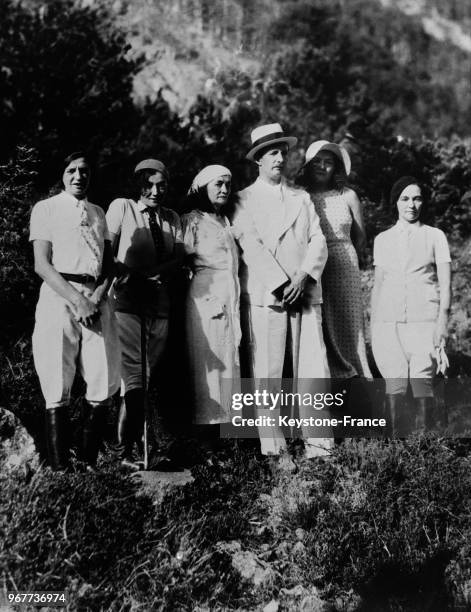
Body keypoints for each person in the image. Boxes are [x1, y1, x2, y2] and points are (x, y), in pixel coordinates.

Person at [232, 123, 331, 465]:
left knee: (312, 369)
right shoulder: (242, 199)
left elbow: (318, 240)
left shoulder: (301, 198)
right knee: (268, 373)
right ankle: (276, 450)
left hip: (304, 292)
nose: (278, 158)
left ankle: (320, 447)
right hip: (266, 294)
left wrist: (303, 276)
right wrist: (281, 284)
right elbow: (250, 246)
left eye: (282, 152)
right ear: (258, 159)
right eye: (271, 152)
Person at [30, 152, 120, 470]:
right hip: (60, 295)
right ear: (62, 175)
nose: (79, 176)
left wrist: (95, 296)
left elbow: (109, 266)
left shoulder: (99, 213)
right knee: (56, 374)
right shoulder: (47, 208)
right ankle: (60, 473)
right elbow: (42, 263)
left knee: (104, 375)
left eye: (84, 170)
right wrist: (76, 299)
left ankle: (86, 463)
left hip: (97, 299)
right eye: (72, 170)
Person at [106, 159, 184, 469]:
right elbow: (106, 252)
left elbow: (178, 258)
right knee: (134, 377)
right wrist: (135, 278)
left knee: (148, 377)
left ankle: (145, 447)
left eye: (161, 185)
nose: (155, 191)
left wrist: (155, 275)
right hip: (127, 303)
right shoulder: (122, 207)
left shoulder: (172, 218)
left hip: (159, 307)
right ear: (138, 184)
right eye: (149, 184)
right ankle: (126, 451)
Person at [371, 176, 452, 434]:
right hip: (389, 322)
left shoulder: (435, 236)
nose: (411, 205)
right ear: (396, 202)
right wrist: (374, 326)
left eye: (417, 198)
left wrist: (442, 323)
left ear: (423, 201)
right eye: (405, 198)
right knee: (394, 383)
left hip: (424, 320)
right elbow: (379, 285)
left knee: (421, 381)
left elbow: (446, 285)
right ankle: (395, 452)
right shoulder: (382, 239)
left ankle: (425, 451)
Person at [300, 140, 372, 381]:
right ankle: (332, 381)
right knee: (320, 324)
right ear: (308, 166)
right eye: (317, 162)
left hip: (344, 264)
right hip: (315, 267)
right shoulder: (302, 197)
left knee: (350, 324)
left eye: (328, 162)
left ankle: (359, 375)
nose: (322, 166)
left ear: (337, 168)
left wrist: (346, 254)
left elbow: (360, 237)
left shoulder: (348, 195)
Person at [182, 165, 241, 434]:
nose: (224, 190)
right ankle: (207, 438)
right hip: (206, 300)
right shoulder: (192, 220)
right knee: (209, 364)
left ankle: (228, 433)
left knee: (230, 362)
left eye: (228, 184)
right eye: (218, 184)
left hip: (230, 297)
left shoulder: (226, 221)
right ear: (203, 187)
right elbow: (182, 262)